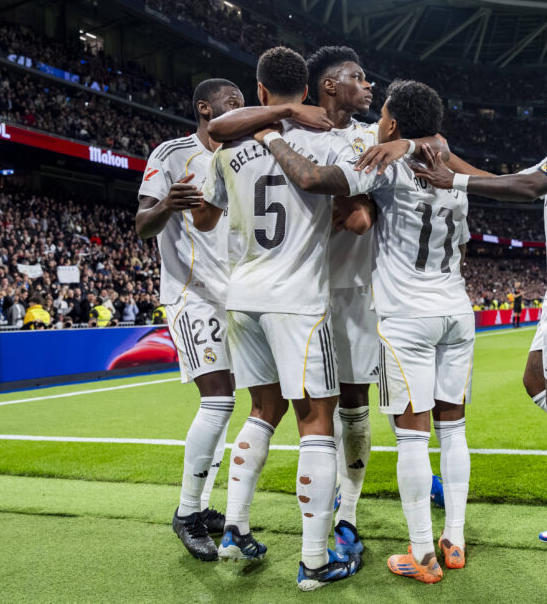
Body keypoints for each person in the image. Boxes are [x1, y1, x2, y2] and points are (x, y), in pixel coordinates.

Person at [207, 46, 450, 557]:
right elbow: (351, 207)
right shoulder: (301, 135)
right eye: (358, 78)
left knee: (353, 405)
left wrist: (406, 151)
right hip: (305, 290)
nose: (369, 87)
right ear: (328, 87)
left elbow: (413, 158)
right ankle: (315, 543)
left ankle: (347, 514)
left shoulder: (372, 136)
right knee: (315, 411)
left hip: (351, 287)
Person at [255, 79, 473, 583]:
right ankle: (455, 538)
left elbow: (318, 182)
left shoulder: (385, 165)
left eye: (383, 119)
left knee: (413, 438)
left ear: (391, 124)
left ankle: (422, 555)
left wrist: (273, 138)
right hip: (457, 310)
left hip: (407, 315)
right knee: (454, 428)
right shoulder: (455, 178)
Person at [412, 58, 547, 543]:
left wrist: (454, 182)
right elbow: (506, 179)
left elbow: (528, 185)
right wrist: (448, 162)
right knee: (536, 379)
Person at [193, 46, 363, 590]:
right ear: (308, 93)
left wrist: (268, 123)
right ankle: (316, 560)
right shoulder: (330, 141)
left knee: (262, 411)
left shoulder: (230, 146)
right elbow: (351, 213)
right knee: (317, 420)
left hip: (242, 297)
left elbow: (205, 212)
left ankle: (234, 531)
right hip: (297, 299)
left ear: (261, 92)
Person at [136, 78, 245, 561]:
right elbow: (142, 225)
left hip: (236, 297)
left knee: (227, 406)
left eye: (243, 102)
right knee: (219, 399)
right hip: (191, 294)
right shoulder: (172, 153)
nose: (240, 108)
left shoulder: (242, 159)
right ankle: (185, 512)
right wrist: (166, 204)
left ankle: (200, 505)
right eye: (231, 102)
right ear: (205, 107)